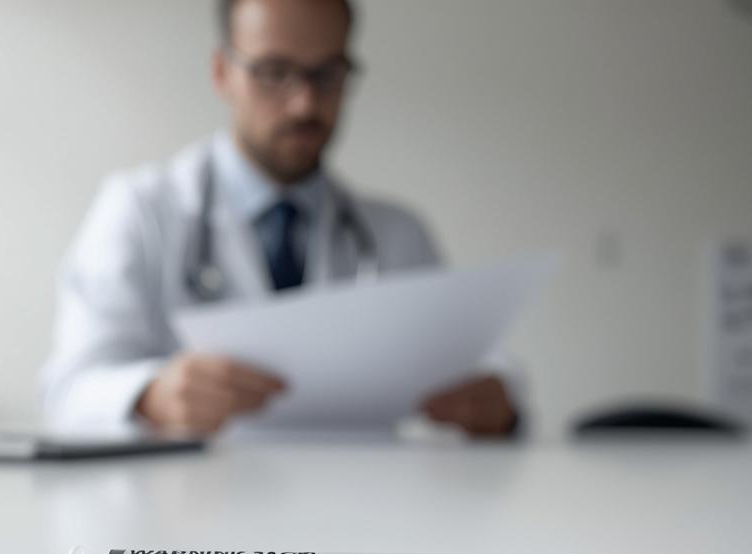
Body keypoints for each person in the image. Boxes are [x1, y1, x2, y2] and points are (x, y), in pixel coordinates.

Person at [41, 0, 519, 437]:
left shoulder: (395, 236)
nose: (304, 104)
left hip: (362, 516)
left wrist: (499, 404)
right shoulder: (141, 211)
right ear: (222, 72)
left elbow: (484, 368)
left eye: (327, 74)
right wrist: (150, 397)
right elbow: (68, 392)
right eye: (273, 72)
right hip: (187, 520)